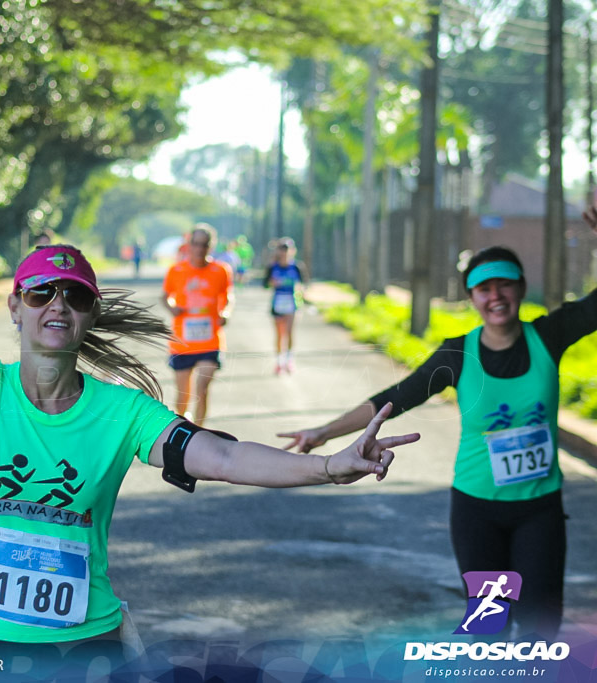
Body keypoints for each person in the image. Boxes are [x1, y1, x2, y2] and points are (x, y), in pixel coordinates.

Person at [0, 115, 420, 659]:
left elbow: (220, 455)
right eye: (41, 291)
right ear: (16, 307)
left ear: (89, 315)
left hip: (84, 651)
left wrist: (329, 467)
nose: (57, 303)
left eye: (76, 295)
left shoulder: (122, 413)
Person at [278, 206, 597, 641]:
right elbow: (393, 399)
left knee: (542, 623)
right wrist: (323, 433)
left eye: (505, 284)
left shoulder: (548, 336)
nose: (496, 295)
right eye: (484, 288)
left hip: (539, 509)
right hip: (477, 510)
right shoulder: (457, 355)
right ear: (471, 298)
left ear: (521, 288)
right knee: (490, 624)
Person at [162, 224, 233, 425]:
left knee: (202, 388)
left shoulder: (221, 271)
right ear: (189, 245)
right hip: (182, 342)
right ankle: (184, 430)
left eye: (205, 244)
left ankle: (200, 435)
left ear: (211, 246)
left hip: (210, 341)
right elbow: (165, 297)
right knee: (183, 395)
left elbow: (228, 297)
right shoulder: (176, 271)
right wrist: (172, 308)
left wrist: (225, 312)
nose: (200, 249)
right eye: (196, 244)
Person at [264, 238, 305, 374]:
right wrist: (272, 282)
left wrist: (300, 292)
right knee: (279, 334)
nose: (284, 253)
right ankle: (279, 361)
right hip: (277, 304)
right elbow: (264, 284)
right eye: (282, 250)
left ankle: (289, 360)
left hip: (292, 304)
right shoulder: (272, 267)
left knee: (290, 332)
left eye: (287, 250)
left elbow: (304, 283)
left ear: (292, 251)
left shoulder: (297, 267)